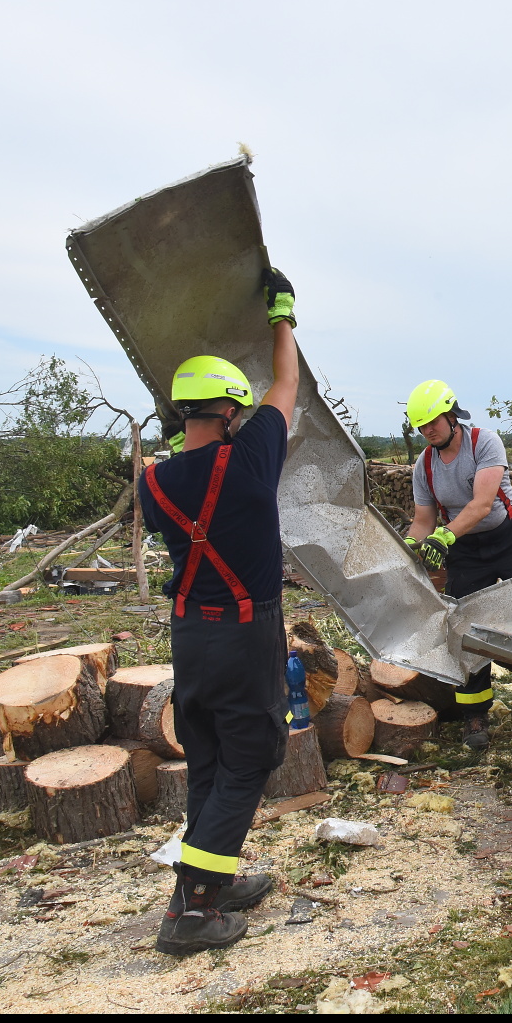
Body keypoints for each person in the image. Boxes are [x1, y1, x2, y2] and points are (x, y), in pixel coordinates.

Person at [139, 268, 299, 954]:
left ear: (181, 414)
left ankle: (207, 880)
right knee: (251, 755)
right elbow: (286, 386)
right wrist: (282, 315)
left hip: (190, 637)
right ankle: (194, 911)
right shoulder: (251, 459)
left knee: (208, 756)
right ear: (231, 412)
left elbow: (184, 481)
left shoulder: (153, 482)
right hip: (244, 633)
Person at [404, 380, 512, 749]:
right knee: (464, 628)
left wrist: (444, 536)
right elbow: (423, 520)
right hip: (466, 550)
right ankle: (475, 715)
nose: (428, 430)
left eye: (433, 421)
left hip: (508, 537)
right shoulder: (425, 466)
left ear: (452, 415)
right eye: (421, 426)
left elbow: (482, 504)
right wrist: (410, 545)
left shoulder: (484, 442)